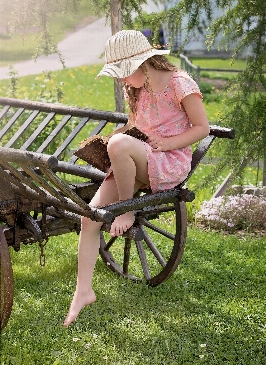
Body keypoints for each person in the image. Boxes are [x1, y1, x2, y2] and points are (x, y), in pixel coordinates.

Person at [63, 30, 209, 327]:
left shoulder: (180, 84)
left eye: (122, 74)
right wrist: (120, 135)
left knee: (119, 146)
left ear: (139, 64)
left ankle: (127, 210)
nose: (121, 81)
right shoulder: (138, 89)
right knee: (90, 218)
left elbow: (202, 127)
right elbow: (138, 124)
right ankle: (83, 290)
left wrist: (166, 143)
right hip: (141, 159)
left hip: (169, 160)